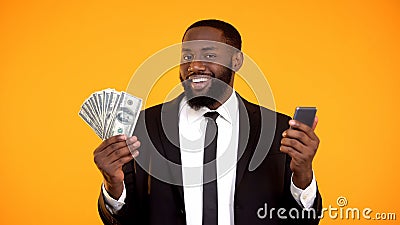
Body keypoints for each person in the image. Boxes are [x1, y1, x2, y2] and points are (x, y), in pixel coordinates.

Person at [93, 19, 322, 225]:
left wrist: (303, 174)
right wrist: (113, 186)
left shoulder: (277, 129)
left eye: (210, 56)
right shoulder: (142, 127)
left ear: (236, 60)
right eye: (187, 57)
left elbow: (302, 220)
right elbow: (124, 222)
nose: (195, 66)